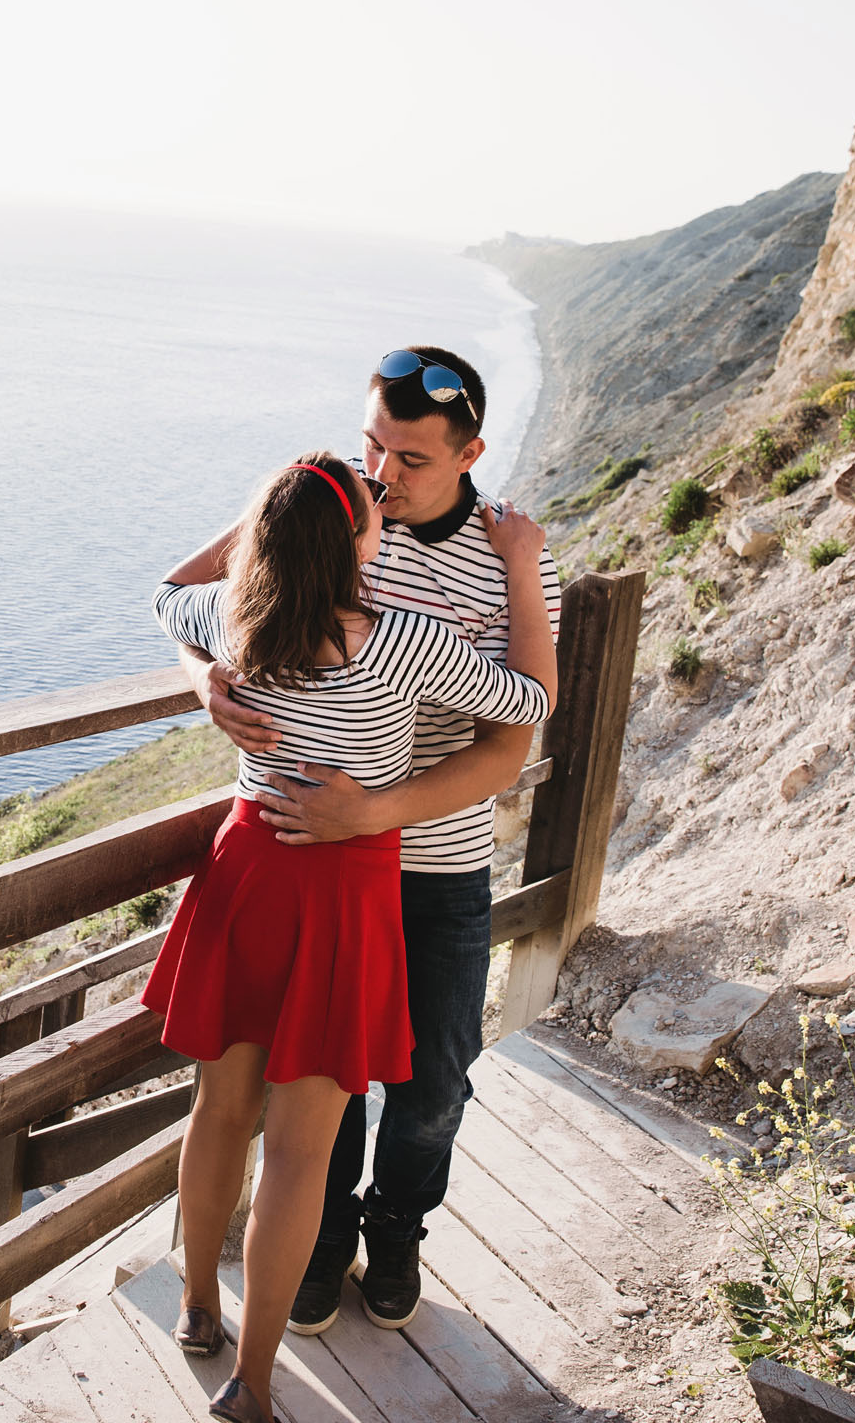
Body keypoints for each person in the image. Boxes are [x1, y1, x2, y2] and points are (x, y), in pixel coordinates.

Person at [144, 448, 554, 1423]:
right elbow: (528, 702)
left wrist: (212, 672)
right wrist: (525, 569)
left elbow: (168, 590)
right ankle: (250, 1380)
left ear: (269, 543)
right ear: (357, 546)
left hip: (248, 870)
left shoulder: (234, 619)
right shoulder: (401, 640)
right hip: (340, 892)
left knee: (218, 1111)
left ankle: (197, 1308)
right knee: (295, 1155)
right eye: (369, 512)